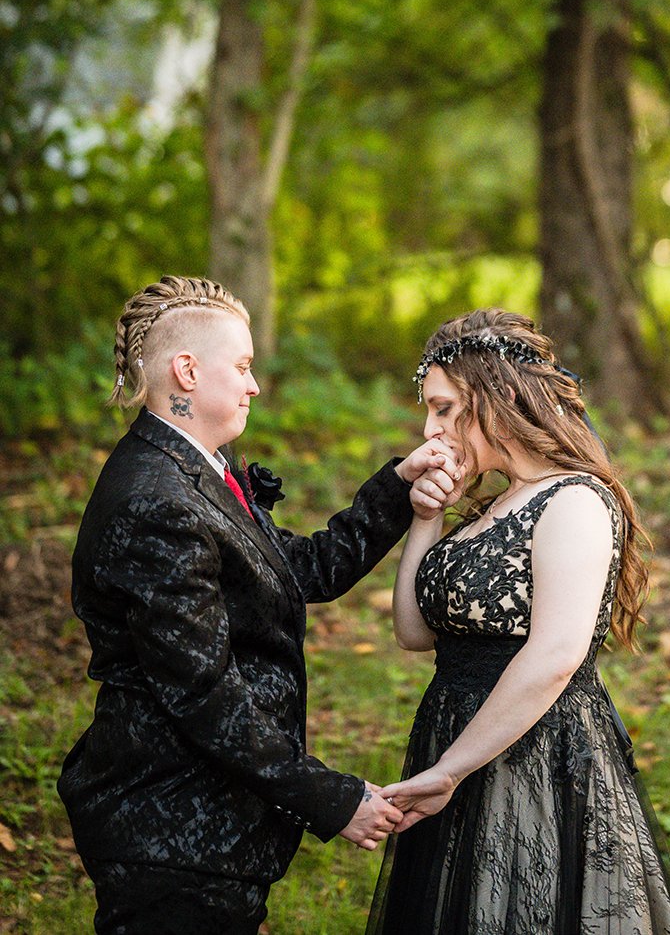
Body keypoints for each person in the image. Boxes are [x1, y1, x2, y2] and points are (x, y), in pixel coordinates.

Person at [58, 274, 460, 935]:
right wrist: (330, 799)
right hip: (168, 827)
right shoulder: (155, 497)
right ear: (186, 370)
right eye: (242, 367)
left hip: (209, 824)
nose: (254, 385)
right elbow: (202, 695)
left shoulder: (201, 466)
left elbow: (300, 569)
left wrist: (397, 485)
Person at [367, 308, 670, 935]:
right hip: (453, 738)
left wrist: (450, 771)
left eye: (442, 408)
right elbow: (413, 631)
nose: (429, 431)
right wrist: (428, 518)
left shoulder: (574, 501)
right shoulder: (494, 505)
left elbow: (555, 655)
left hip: (537, 756)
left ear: (496, 397)